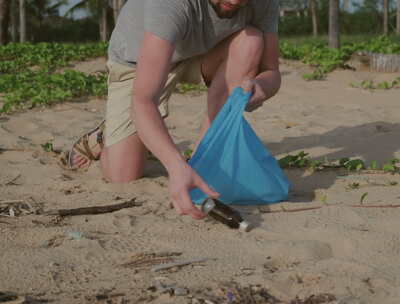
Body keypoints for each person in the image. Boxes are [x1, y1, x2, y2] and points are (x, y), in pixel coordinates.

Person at [63, 0, 281, 219]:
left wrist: (261, 86)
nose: (235, 1)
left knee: (250, 41)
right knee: (122, 174)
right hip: (138, 61)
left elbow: (271, 70)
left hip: (200, 54)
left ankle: (205, 159)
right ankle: (102, 136)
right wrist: (176, 166)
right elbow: (144, 100)